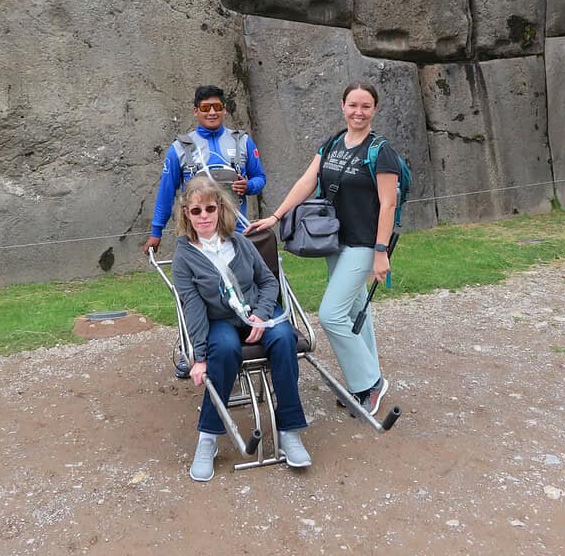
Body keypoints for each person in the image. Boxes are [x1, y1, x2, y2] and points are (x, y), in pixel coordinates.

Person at [246, 82, 400, 416]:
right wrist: (276, 216)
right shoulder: (332, 143)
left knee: (331, 315)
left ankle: (369, 383)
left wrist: (381, 250)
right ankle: (369, 381)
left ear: (375, 109)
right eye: (353, 105)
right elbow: (307, 181)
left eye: (366, 106)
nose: (358, 112)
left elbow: (388, 204)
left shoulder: (380, 150)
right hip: (336, 241)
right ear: (342, 106)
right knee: (357, 311)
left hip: (363, 245)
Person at [172, 176, 310, 481]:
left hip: (257, 312)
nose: (204, 216)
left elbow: (268, 281)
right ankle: (207, 439)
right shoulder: (184, 256)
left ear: (220, 209)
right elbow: (192, 307)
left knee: (285, 337)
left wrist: (261, 314)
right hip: (219, 320)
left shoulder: (240, 243)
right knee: (224, 350)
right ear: (187, 215)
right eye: (196, 211)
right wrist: (199, 357)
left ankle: (289, 431)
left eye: (210, 208)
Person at [142, 85, 266, 255]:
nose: (212, 112)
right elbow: (166, 192)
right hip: (195, 235)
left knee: (239, 280)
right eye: (206, 108)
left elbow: (260, 178)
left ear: (224, 111)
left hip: (235, 231)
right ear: (196, 111)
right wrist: (156, 232)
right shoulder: (179, 148)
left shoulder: (242, 142)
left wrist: (248, 186)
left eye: (218, 107)